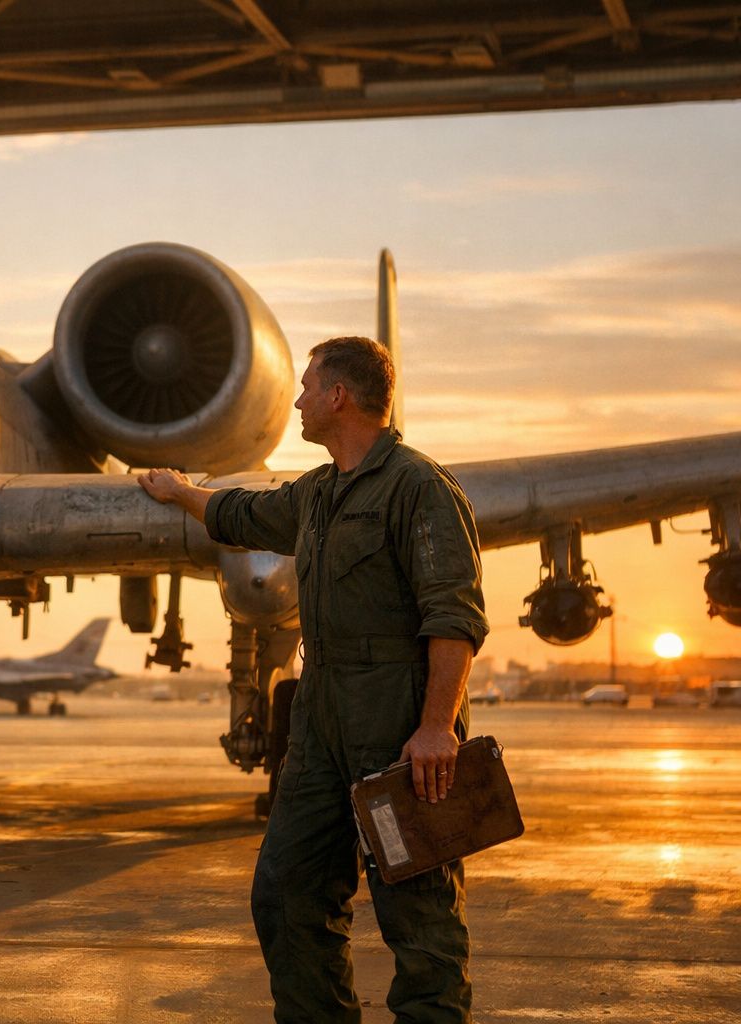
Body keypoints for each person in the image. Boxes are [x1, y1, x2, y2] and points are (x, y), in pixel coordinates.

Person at [139, 335, 488, 1024]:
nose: (297, 401)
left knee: (417, 909)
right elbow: (241, 516)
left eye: (306, 388)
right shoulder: (319, 494)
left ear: (339, 396)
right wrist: (180, 491)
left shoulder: (419, 487)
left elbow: (454, 616)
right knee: (287, 891)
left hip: (396, 721)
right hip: (321, 718)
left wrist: (434, 727)